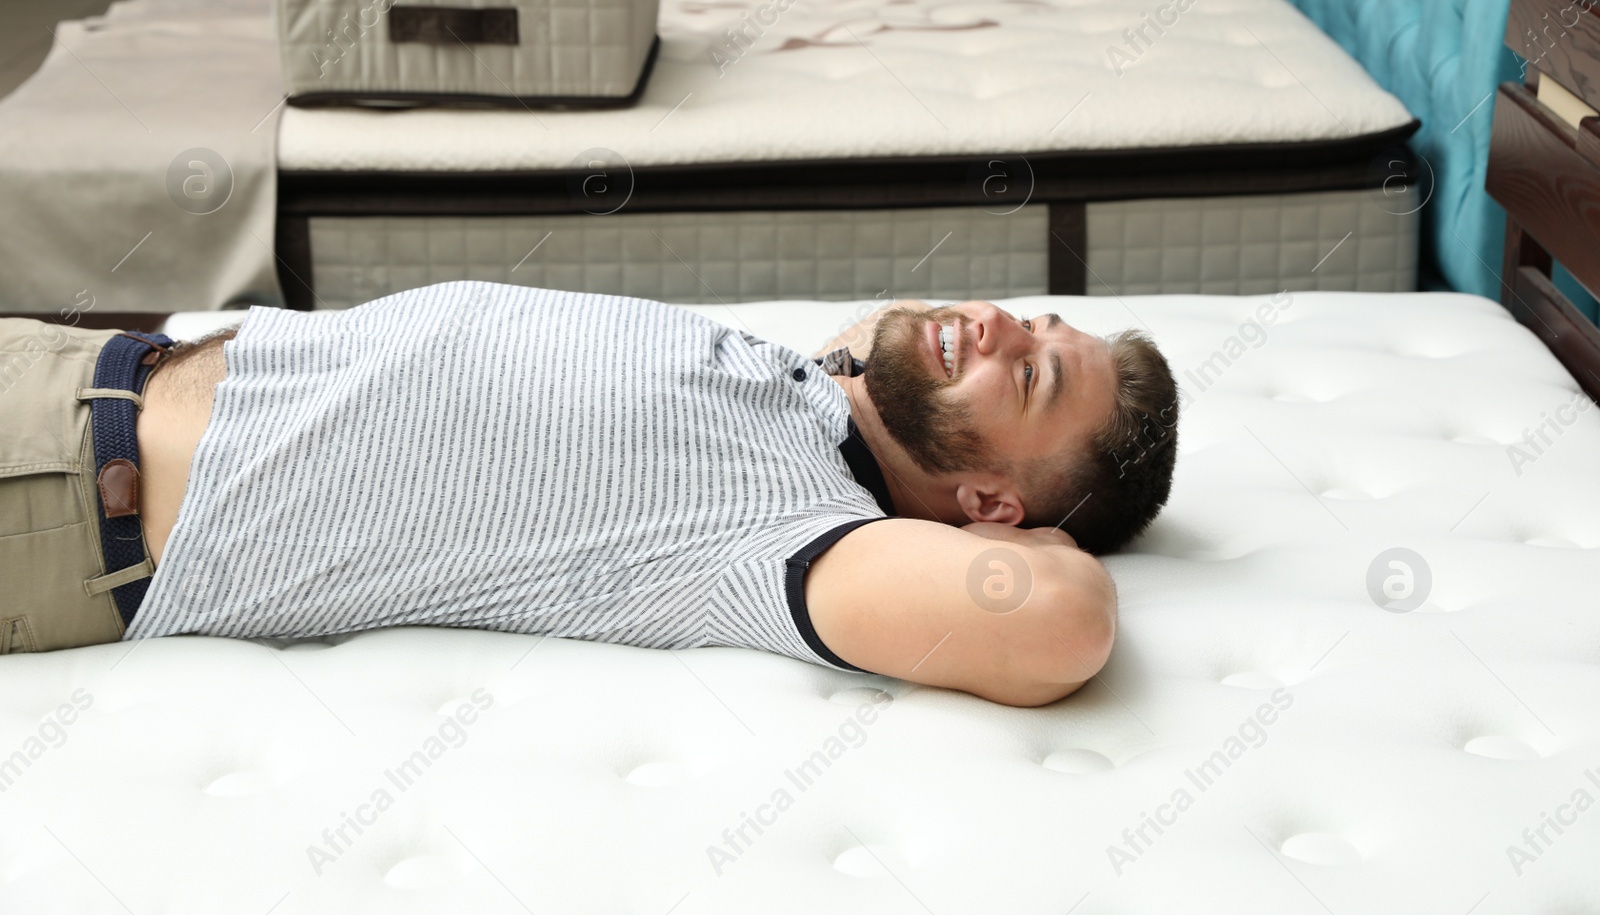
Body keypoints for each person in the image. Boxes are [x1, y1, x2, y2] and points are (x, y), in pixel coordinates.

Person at [0, 281, 1178, 706]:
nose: (1000, 323)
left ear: (988, 506)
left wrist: (1048, 538)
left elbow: (1053, 622)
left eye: (1026, 373)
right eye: (1036, 316)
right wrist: (949, 365)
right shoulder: (801, 384)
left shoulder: (799, 529)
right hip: (80, 363)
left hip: (50, 497)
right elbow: (889, 331)